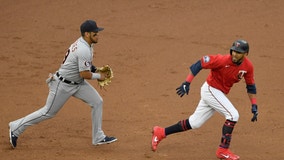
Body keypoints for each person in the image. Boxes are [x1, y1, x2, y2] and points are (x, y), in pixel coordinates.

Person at [9, 20, 117, 148]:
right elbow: (84, 74)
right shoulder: (83, 49)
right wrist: (100, 76)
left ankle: (98, 137)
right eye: (95, 33)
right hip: (63, 85)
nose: (98, 35)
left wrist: (95, 69)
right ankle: (15, 127)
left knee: (97, 102)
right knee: (48, 112)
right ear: (87, 34)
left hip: (77, 84)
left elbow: (84, 66)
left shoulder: (87, 44)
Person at [151, 39, 258, 160]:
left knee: (194, 123)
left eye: (238, 52)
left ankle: (161, 132)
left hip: (218, 94)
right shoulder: (222, 60)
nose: (234, 54)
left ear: (246, 54)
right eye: (233, 51)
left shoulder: (248, 66)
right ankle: (223, 150)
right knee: (233, 115)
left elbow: (251, 86)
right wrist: (187, 82)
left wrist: (254, 105)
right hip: (210, 90)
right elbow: (200, 63)